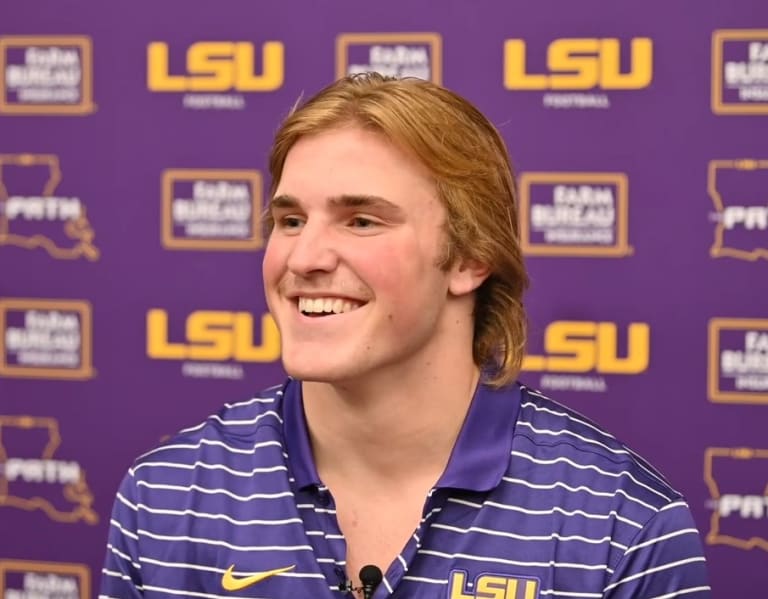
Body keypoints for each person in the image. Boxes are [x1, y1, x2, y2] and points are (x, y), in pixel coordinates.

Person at [100, 73, 711, 598]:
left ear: (471, 256)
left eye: (361, 220)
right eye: (289, 220)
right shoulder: (166, 498)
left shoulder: (622, 526)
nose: (303, 256)